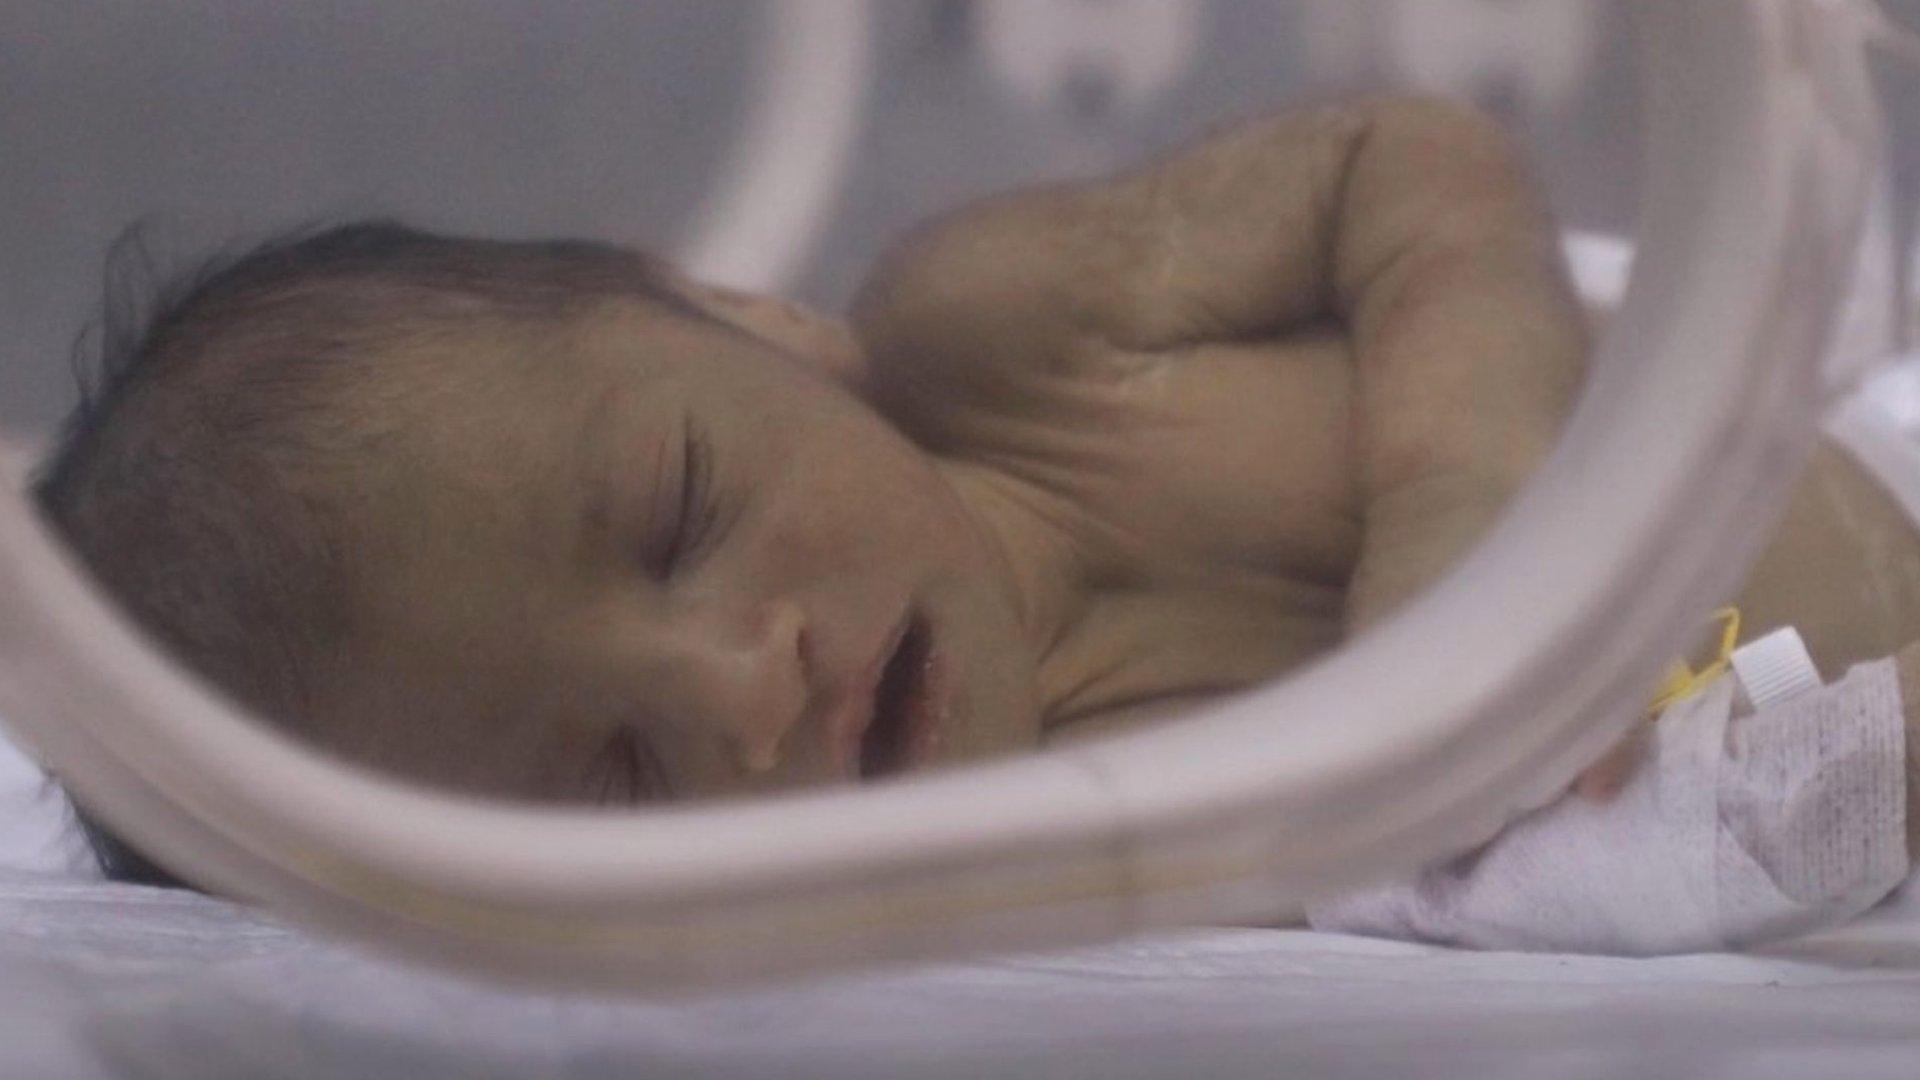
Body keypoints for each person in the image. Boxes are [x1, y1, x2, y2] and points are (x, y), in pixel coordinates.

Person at [32, 99, 1920, 952]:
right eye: (610, 785)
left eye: (683, 510)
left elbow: (1406, 167)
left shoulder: (1010, 332)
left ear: (747, 318)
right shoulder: (1061, 870)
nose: (734, 693)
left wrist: (1466, 516)